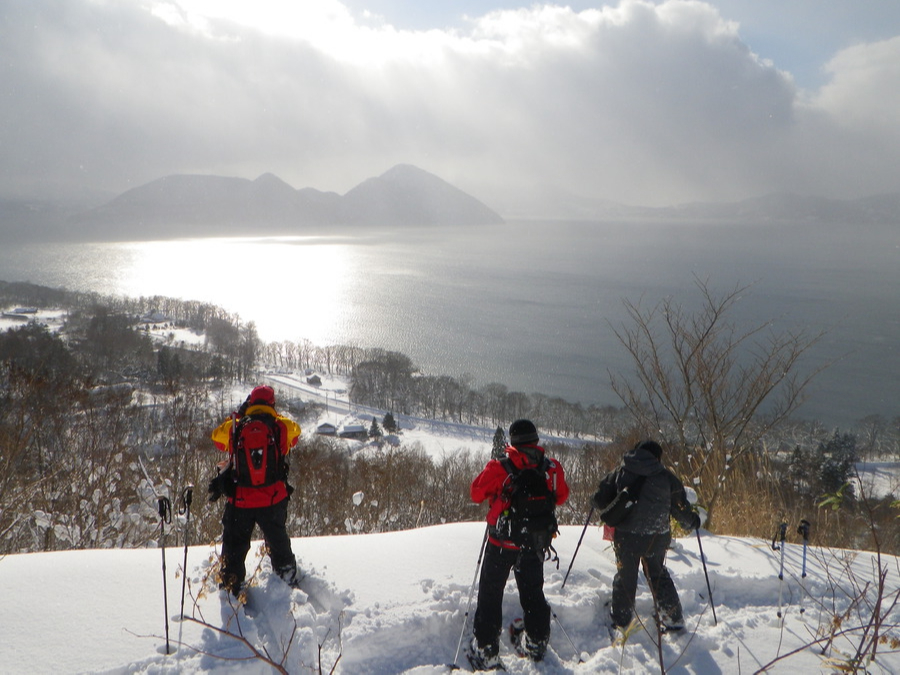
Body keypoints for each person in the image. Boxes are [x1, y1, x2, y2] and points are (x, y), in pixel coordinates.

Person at [467, 419, 569, 669]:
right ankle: (535, 643)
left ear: (512, 441)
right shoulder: (551, 467)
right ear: (535, 440)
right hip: (533, 544)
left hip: (501, 543)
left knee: (491, 594)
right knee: (533, 592)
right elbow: (561, 497)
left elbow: (476, 493)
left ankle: (487, 651)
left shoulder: (499, 466)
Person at [592, 439, 700, 633]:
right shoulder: (667, 477)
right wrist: (693, 521)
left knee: (626, 575)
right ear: (657, 457)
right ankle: (672, 618)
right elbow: (681, 512)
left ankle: (622, 621)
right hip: (656, 537)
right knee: (657, 574)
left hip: (626, 537)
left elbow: (599, 500)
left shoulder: (620, 472)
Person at [208, 385, 301, 595]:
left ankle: (231, 586)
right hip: (273, 498)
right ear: (272, 403)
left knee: (234, 545)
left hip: (240, 500)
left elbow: (216, 438)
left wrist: (240, 416)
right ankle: (287, 577)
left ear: (250, 403)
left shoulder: (235, 426)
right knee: (278, 540)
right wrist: (276, 416)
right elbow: (296, 433)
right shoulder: (281, 426)